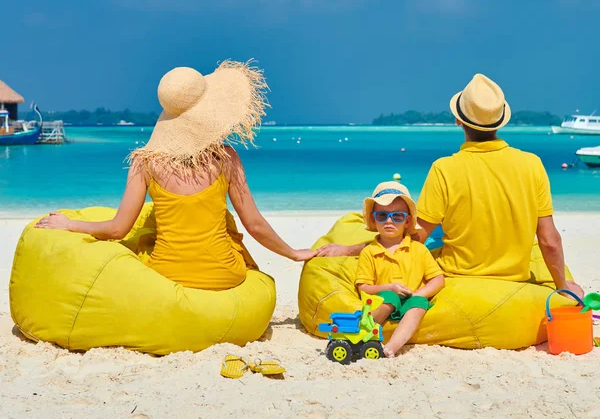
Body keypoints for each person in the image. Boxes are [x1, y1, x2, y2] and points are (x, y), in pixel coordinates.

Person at [36, 62, 317, 290]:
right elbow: (254, 225)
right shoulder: (227, 158)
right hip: (225, 276)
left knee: (145, 237)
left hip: (167, 276)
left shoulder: (144, 162)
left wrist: (69, 224)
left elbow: (117, 229)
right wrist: (293, 253)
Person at [317, 73, 583, 300]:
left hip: (456, 275)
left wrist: (350, 250)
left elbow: (413, 236)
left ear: (459, 120)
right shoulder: (532, 164)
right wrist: (562, 288)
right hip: (515, 277)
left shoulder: (444, 168)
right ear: (502, 120)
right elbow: (549, 241)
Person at [355, 182, 445, 357]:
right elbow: (363, 287)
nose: (389, 221)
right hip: (382, 302)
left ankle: (391, 348)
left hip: (410, 300)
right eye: (382, 215)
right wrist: (389, 287)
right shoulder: (369, 252)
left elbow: (438, 279)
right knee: (391, 296)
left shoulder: (418, 249)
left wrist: (419, 294)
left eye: (397, 216)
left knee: (419, 305)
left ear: (408, 221)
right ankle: (366, 331)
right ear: (374, 219)